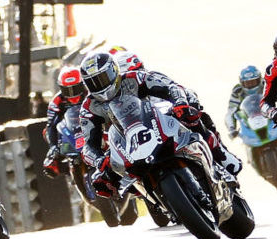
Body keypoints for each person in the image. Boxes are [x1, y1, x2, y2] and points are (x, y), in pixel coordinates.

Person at [75, 50, 243, 194]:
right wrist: (98, 160)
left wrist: (180, 103)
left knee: (192, 116)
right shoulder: (89, 107)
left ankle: (220, 156)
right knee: (102, 178)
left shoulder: (134, 77)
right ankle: (150, 195)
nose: (100, 86)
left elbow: (170, 87)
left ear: (113, 71)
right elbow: (88, 145)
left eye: (103, 78)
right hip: (128, 140)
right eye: (93, 83)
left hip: (156, 118)